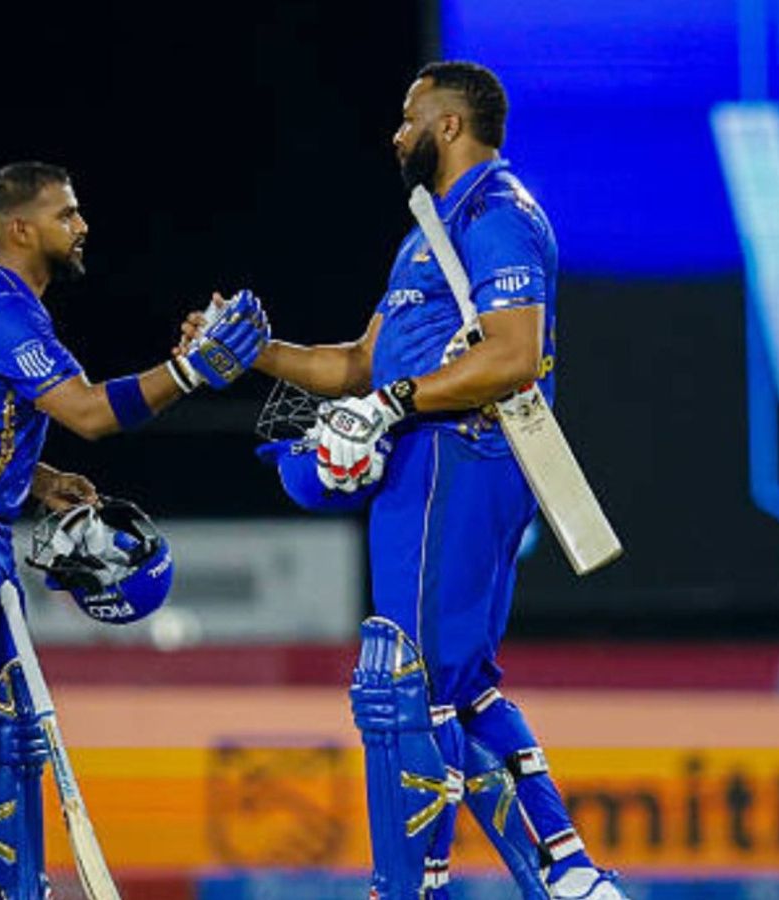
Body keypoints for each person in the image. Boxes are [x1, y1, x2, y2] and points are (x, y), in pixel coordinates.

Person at [186, 62, 623, 900]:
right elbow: (358, 362)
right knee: (456, 683)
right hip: (423, 459)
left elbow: (513, 356)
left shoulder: (498, 217)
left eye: (407, 118)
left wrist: (388, 405)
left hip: (459, 457)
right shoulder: (428, 231)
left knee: (401, 681)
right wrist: (249, 354)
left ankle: (411, 887)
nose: (396, 134)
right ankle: (566, 871)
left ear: (449, 127)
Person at [0, 161, 269, 900]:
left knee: (9, 740)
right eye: (67, 214)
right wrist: (190, 372)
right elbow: (87, 411)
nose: (82, 227)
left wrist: (40, 481)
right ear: (21, 228)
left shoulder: (18, 309)